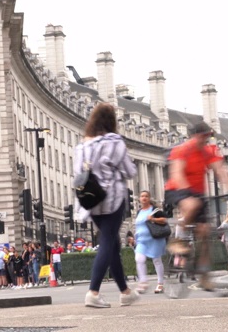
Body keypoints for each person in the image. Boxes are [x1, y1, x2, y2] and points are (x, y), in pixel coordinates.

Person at [74, 102, 139, 308]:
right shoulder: (114, 142)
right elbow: (130, 171)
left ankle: (125, 291)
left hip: (91, 201)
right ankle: (93, 292)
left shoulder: (83, 146)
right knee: (107, 242)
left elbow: (78, 174)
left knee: (113, 244)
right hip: (112, 199)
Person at [164, 121, 228, 291]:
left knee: (204, 232)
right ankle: (177, 240)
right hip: (177, 188)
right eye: (203, 137)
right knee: (193, 204)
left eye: (207, 137)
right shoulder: (182, 150)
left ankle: (204, 276)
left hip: (198, 192)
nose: (205, 141)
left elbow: (221, 170)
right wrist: (188, 194)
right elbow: (177, 173)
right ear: (194, 136)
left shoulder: (209, 151)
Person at [134, 190, 167, 294]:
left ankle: (160, 284)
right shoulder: (139, 212)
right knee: (139, 258)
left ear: (149, 198)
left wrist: (153, 219)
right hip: (141, 240)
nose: (144, 198)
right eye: (142, 196)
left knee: (157, 260)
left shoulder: (155, 210)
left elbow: (164, 220)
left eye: (146, 196)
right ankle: (143, 282)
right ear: (139, 199)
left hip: (154, 239)